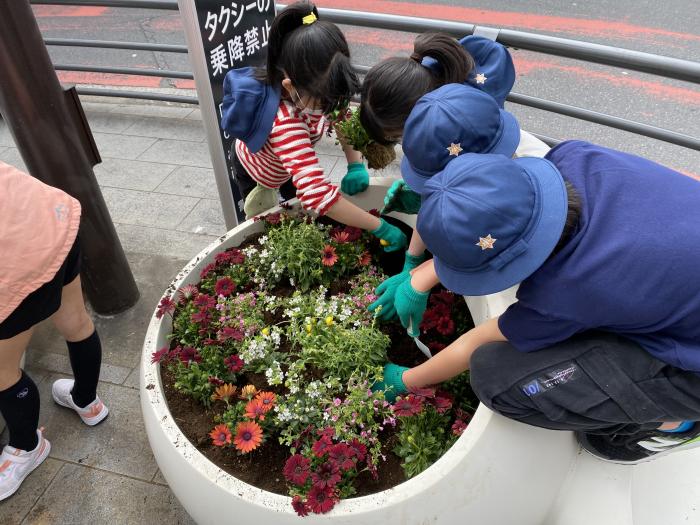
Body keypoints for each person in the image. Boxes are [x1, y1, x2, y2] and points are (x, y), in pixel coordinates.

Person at [374, 141, 700, 464]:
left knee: (495, 378)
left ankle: (673, 421)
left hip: (693, 374)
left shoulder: (566, 290)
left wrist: (406, 381)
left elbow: (477, 342)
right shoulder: (571, 156)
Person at [221, 2, 406, 253]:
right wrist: (379, 226)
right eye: (324, 101)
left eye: (336, 97)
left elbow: (340, 117)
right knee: (266, 226)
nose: (332, 106)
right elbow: (318, 195)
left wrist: (354, 165)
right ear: (289, 85)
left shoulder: (321, 90)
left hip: (284, 165)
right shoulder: (286, 123)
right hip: (256, 172)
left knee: (296, 198)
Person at [368, 82, 549, 334]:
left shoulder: (520, 189)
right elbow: (454, 202)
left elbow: (495, 252)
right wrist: (412, 260)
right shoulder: (481, 144)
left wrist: (424, 277)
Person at [0, 161, 108, 501]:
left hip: (14, 261)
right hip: (49, 216)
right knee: (75, 319)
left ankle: (26, 446)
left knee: (2, 371)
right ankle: (87, 401)